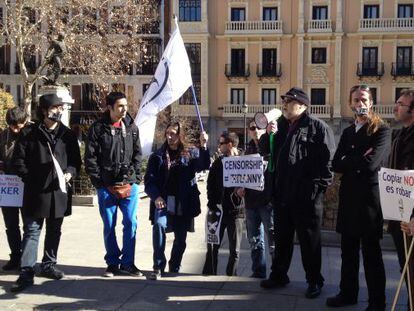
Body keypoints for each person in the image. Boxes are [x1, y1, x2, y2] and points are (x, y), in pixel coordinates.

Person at [260, 87, 335, 299]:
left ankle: (314, 280)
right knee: (282, 239)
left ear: (302, 105)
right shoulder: (280, 126)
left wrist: (317, 191)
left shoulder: (317, 127)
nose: (284, 104)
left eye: (289, 101)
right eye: (283, 100)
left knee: (309, 241)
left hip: (307, 198)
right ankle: (279, 275)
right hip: (282, 195)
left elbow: (327, 163)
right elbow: (265, 151)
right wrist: (268, 134)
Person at [326, 85, 390, 311]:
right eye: (355, 99)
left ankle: (376, 303)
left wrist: (350, 160)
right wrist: (357, 158)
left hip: (369, 202)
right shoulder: (346, 132)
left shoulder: (381, 130)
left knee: (371, 255)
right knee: (348, 252)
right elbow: (336, 164)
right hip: (348, 198)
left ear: (371, 102)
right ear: (350, 103)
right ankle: (348, 293)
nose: (360, 103)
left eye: (364, 99)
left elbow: (371, 164)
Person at [11, 94, 81, 292]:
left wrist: (69, 173)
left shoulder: (67, 135)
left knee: (54, 230)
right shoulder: (29, 133)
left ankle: (49, 264)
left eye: (61, 107)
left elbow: (76, 162)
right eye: (55, 107)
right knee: (32, 232)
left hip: (58, 193)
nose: (59, 110)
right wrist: (30, 178)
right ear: (43, 110)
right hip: (35, 193)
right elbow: (18, 161)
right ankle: (26, 272)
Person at [85, 91, 142, 277]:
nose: (125, 109)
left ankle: (128, 263)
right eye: (120, 106)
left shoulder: (132, 127)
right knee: (109, 225)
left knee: (131, 223)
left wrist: (135, 179)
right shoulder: (98, 128)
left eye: (126, 105)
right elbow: (90, 158)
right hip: (106, 186)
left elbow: (138, 155)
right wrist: (99, 183)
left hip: (129, 185)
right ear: (109, 107)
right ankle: (112, 263)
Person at [145, 122, 210, 280]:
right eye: (168, 133)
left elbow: (204, 165)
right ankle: (158, 266)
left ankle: (174, 266)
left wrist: (204, 146)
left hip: (184, 201)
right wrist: (156, 197)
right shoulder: (157, 156)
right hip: (164, 200)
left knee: (181, 239)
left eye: (173, 133)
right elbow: (149, 181)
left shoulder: (190, 152)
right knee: (159, 226)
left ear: (180, 135)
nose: (169, 136)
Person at [202, 131, 245, 276]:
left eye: (221, 143)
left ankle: (230, 277)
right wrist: (212, 203)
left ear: (229, 145)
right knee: (213, 246)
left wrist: (243, 192)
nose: (219, 146)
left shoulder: (245, 162)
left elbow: (253, 183)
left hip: (236, 212)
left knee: (235, 250)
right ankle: (209, 274)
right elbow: (210, 184)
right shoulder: (218, 162)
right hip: (218, 211)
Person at [388, 88, 414, 309]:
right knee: (405, 267)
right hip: (399, 214)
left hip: (411, 218)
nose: (395, 106)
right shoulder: (398, 134)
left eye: (401, 104)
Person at [244, 120, 274, 278]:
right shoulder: (247, 149)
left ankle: (277, 272)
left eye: (258, 127)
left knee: (273, 240)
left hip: (267, 202)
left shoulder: (271, 147)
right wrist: (239, 187)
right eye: (252, 128)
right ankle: (258, 271)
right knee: (254, 239)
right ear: (249, 131)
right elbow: (241, 175)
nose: (255, 130)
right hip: (250, 202)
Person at [0, 107, 29, 271]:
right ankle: (15, 256)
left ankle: (26, 259)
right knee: (11, 225)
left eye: (19, 126)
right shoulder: (4, 136)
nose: (17, 130)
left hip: (27, 186)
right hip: (8, 187)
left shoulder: (33, 133)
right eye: (13, 127)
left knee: (29, 226)